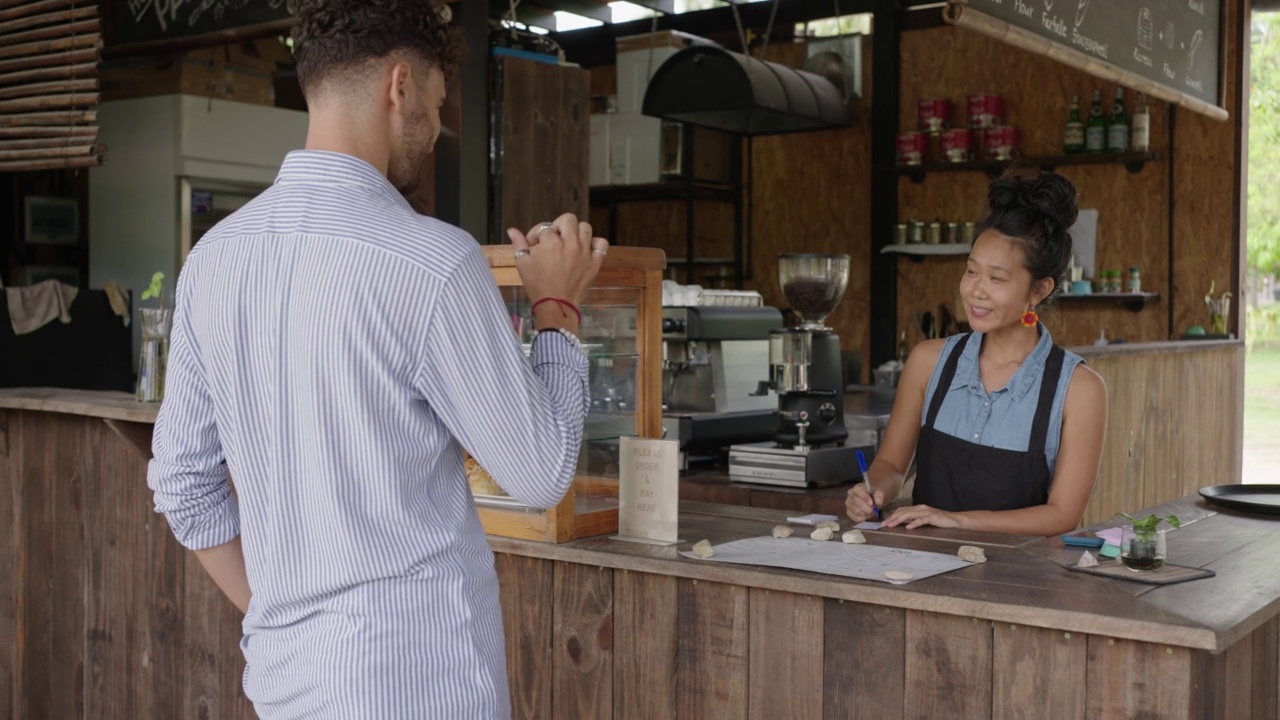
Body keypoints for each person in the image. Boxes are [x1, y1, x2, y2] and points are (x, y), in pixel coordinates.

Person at [146, 1, 608, 717]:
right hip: (418, 685)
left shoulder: (214, 259)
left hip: (286, 683)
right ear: (400, 87)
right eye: (436, 98)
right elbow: (540, 471)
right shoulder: (433, 262)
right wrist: (556, 310)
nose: (436, 125)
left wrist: (284, 612)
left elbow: (183, 486)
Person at [846, 163, 1107, 536]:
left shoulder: (1079, 389)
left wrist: (958, 520)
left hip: (1019, 584)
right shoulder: (928, 361)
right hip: (919, 572)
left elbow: (1062, 515)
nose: (975, 290)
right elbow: (890, 464)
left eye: (997, 278)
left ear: (1039, 290)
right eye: (971, 271)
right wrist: (872, 490)